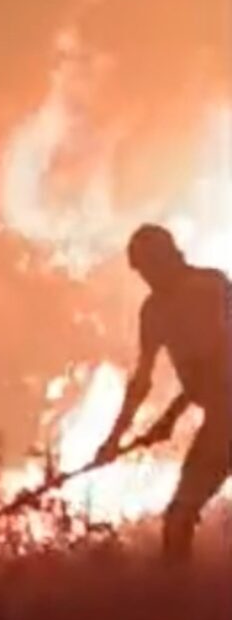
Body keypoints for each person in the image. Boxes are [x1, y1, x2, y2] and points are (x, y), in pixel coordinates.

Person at [95, 224, 232, 562]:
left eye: (149, 267)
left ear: (168, 256)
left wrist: (170, 417)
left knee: (179, 519)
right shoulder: (154, 311)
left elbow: (219, 366)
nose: (147, 277)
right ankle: (178, 603)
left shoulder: (211, 287)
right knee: (178, 519)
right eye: (141, 271)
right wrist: (114, 439)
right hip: (219, 421)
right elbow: (142, 382)